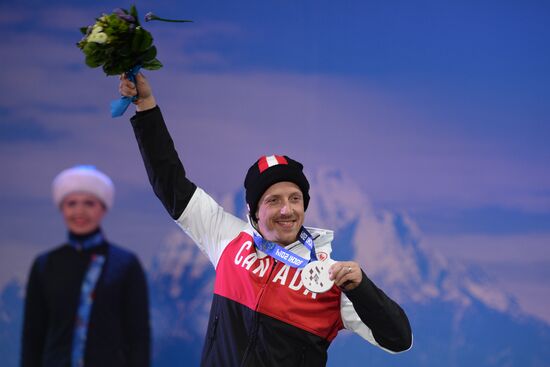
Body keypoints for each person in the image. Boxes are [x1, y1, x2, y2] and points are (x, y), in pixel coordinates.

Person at [120, 73, 412, 366]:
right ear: (253, 210)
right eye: (273, 200)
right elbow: (170, 183)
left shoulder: (329, 279)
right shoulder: (228, 239)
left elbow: (399, 341)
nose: (287, 210)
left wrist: (363, 289)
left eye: (295, 199)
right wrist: (146, 107)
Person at [21, 165, 151, 367]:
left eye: (89, 203)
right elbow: (33, 336)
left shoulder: (125, 264)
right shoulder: (45, 265)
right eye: (71, 203)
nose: (79, 211)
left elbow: (138, 337)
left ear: (103, 208)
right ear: (62, 208)